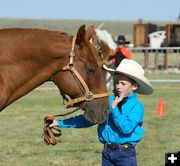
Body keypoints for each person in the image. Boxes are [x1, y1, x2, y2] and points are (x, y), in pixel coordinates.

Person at [50, 59, 153, 166]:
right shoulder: (108, 100)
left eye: (123, 84)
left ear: (134, 86)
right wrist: (59, 123)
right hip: (107, 153)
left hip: (125, 155)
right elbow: (88, 119)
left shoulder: (137, 106)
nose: (118, 86)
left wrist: (114, 109)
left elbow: (126, 128)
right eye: (117, 82)